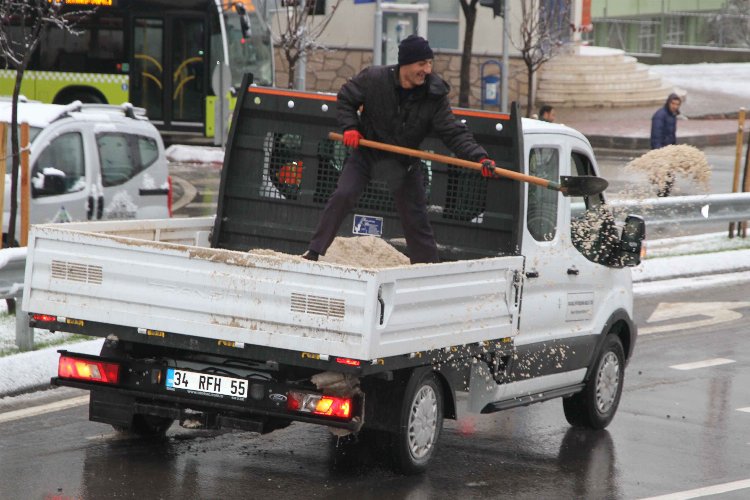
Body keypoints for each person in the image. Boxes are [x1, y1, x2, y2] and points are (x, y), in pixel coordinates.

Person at [302, 35, 496, 264]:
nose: (427, 69)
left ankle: (426, 268)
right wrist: (351, 128)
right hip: (368, 153)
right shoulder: (374, 79)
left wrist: (479, 156)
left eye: (430, 63)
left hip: (403, 161)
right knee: (344, 194)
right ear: (405, 64)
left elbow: (453, 132)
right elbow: (346, 98)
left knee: (416, 215)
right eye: (421, 64)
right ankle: (314, 252)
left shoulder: (434, 96)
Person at [650, 93, 682, 196]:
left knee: (669, 179)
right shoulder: (660, 116)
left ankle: (663, 197)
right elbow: (656, 135)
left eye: (677, 104)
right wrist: (658, 152)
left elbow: (671, 134)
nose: (675, 106)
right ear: (668, 103)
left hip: (669, 151)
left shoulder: (672, 115)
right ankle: (661, 198)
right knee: (664, 179)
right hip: (662, 151)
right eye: (673, 104)